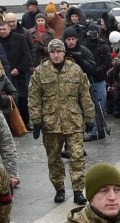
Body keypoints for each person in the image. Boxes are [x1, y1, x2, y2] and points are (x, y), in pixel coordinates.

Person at [30, 39, 94, 205]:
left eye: (59, 52)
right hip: (51, 122)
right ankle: (59, 188)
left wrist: (89, 117)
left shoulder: (75, 70)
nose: (56, 55)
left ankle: (78, 190)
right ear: (49, 53)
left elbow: (85, 95)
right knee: (54, 158)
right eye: (53, 52)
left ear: (64, 53)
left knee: (77, 156)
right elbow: (34, 97)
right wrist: (35, 120)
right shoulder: (40, 71)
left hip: (74, 121)